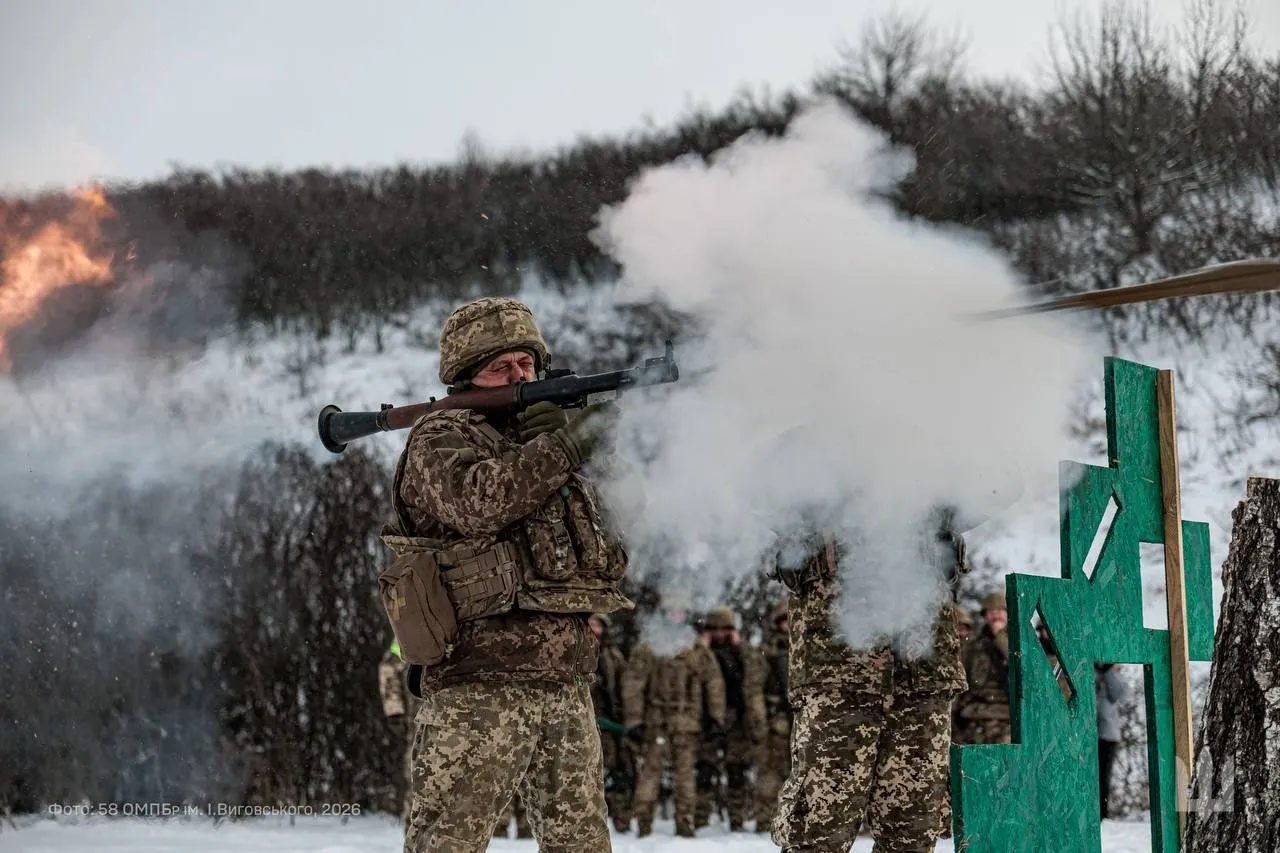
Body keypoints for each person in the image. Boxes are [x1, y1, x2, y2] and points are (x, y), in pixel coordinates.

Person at [386, 296, 637, 852]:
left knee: (583, 845)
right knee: (448, 842)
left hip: (565, 681)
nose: (520, 376)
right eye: (502, 367)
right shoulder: (440, 436)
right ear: (465, 374)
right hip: (478, 683)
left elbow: (619, 531)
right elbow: (480, 502)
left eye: (526, 364)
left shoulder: (544, 437)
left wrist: (599, 453)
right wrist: (564, 447)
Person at [769, 511, 970, 853]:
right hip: (839, 675)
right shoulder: (815, 474)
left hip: (922, 678)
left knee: (912, 831)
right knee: (820, 828)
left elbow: (1000, 485)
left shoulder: (929, 469)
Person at [621, 606, 727, 838]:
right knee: (666, 775)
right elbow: (634, 683)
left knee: (674, 775)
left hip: (672, 722)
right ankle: (653, 825)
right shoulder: (689, 646)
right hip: (669, 722)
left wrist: (716, 717)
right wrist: (634, 720)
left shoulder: (655, 644)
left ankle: (670, 825)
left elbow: (713, 683)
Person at [695, 606, 767, 832]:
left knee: (736, 771)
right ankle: (700, 819)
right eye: (713, 628)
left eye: (724, 628)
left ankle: (737, 819)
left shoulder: (742, 652)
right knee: (704, 770)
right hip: (706, 720)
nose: (718, 633)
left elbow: (758, 671)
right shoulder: (699, 653)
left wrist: (741, 646)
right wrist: (702, 648)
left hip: (737, 719)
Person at [589, 612, 634, 832]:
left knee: (618, 774)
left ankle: (622, 821)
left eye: (598, 625)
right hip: (587, 724)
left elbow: (624, 689)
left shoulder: (614, 656)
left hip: (612, 726)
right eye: (591, 624)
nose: (595, 629)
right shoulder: (578, 653)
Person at [754, 599, 792, 832]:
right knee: (771, 773)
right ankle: (766, 818)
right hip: (777, 718)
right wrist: (761, 721)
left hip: (803, 719)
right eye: (783, 621)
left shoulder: (809, 647)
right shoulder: (767, 651)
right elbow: (754, 689)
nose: (788, 625)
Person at [954, 591, 1011, 744]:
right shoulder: (974, 645)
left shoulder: (1020, 641)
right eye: (992, 612)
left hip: (1008, 718)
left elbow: (1020, 664)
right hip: (975, 717)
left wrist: (1000, 636)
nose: (996, 616)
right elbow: (961, 678)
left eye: (1000, 611)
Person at [378, 641, 420, 817]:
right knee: (419, 773)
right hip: (418, 718)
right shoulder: (414, 621)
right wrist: (394, 711)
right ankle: (414, 827)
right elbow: (390, 666)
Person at [1095, 663, 1128, 819]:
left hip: (1108, 734)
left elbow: (1120, 694)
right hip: (1090, 734)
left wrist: (1108, 670)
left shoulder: (1112, 672)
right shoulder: (1087, 668)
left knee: (1103, 779)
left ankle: (1102, 816)